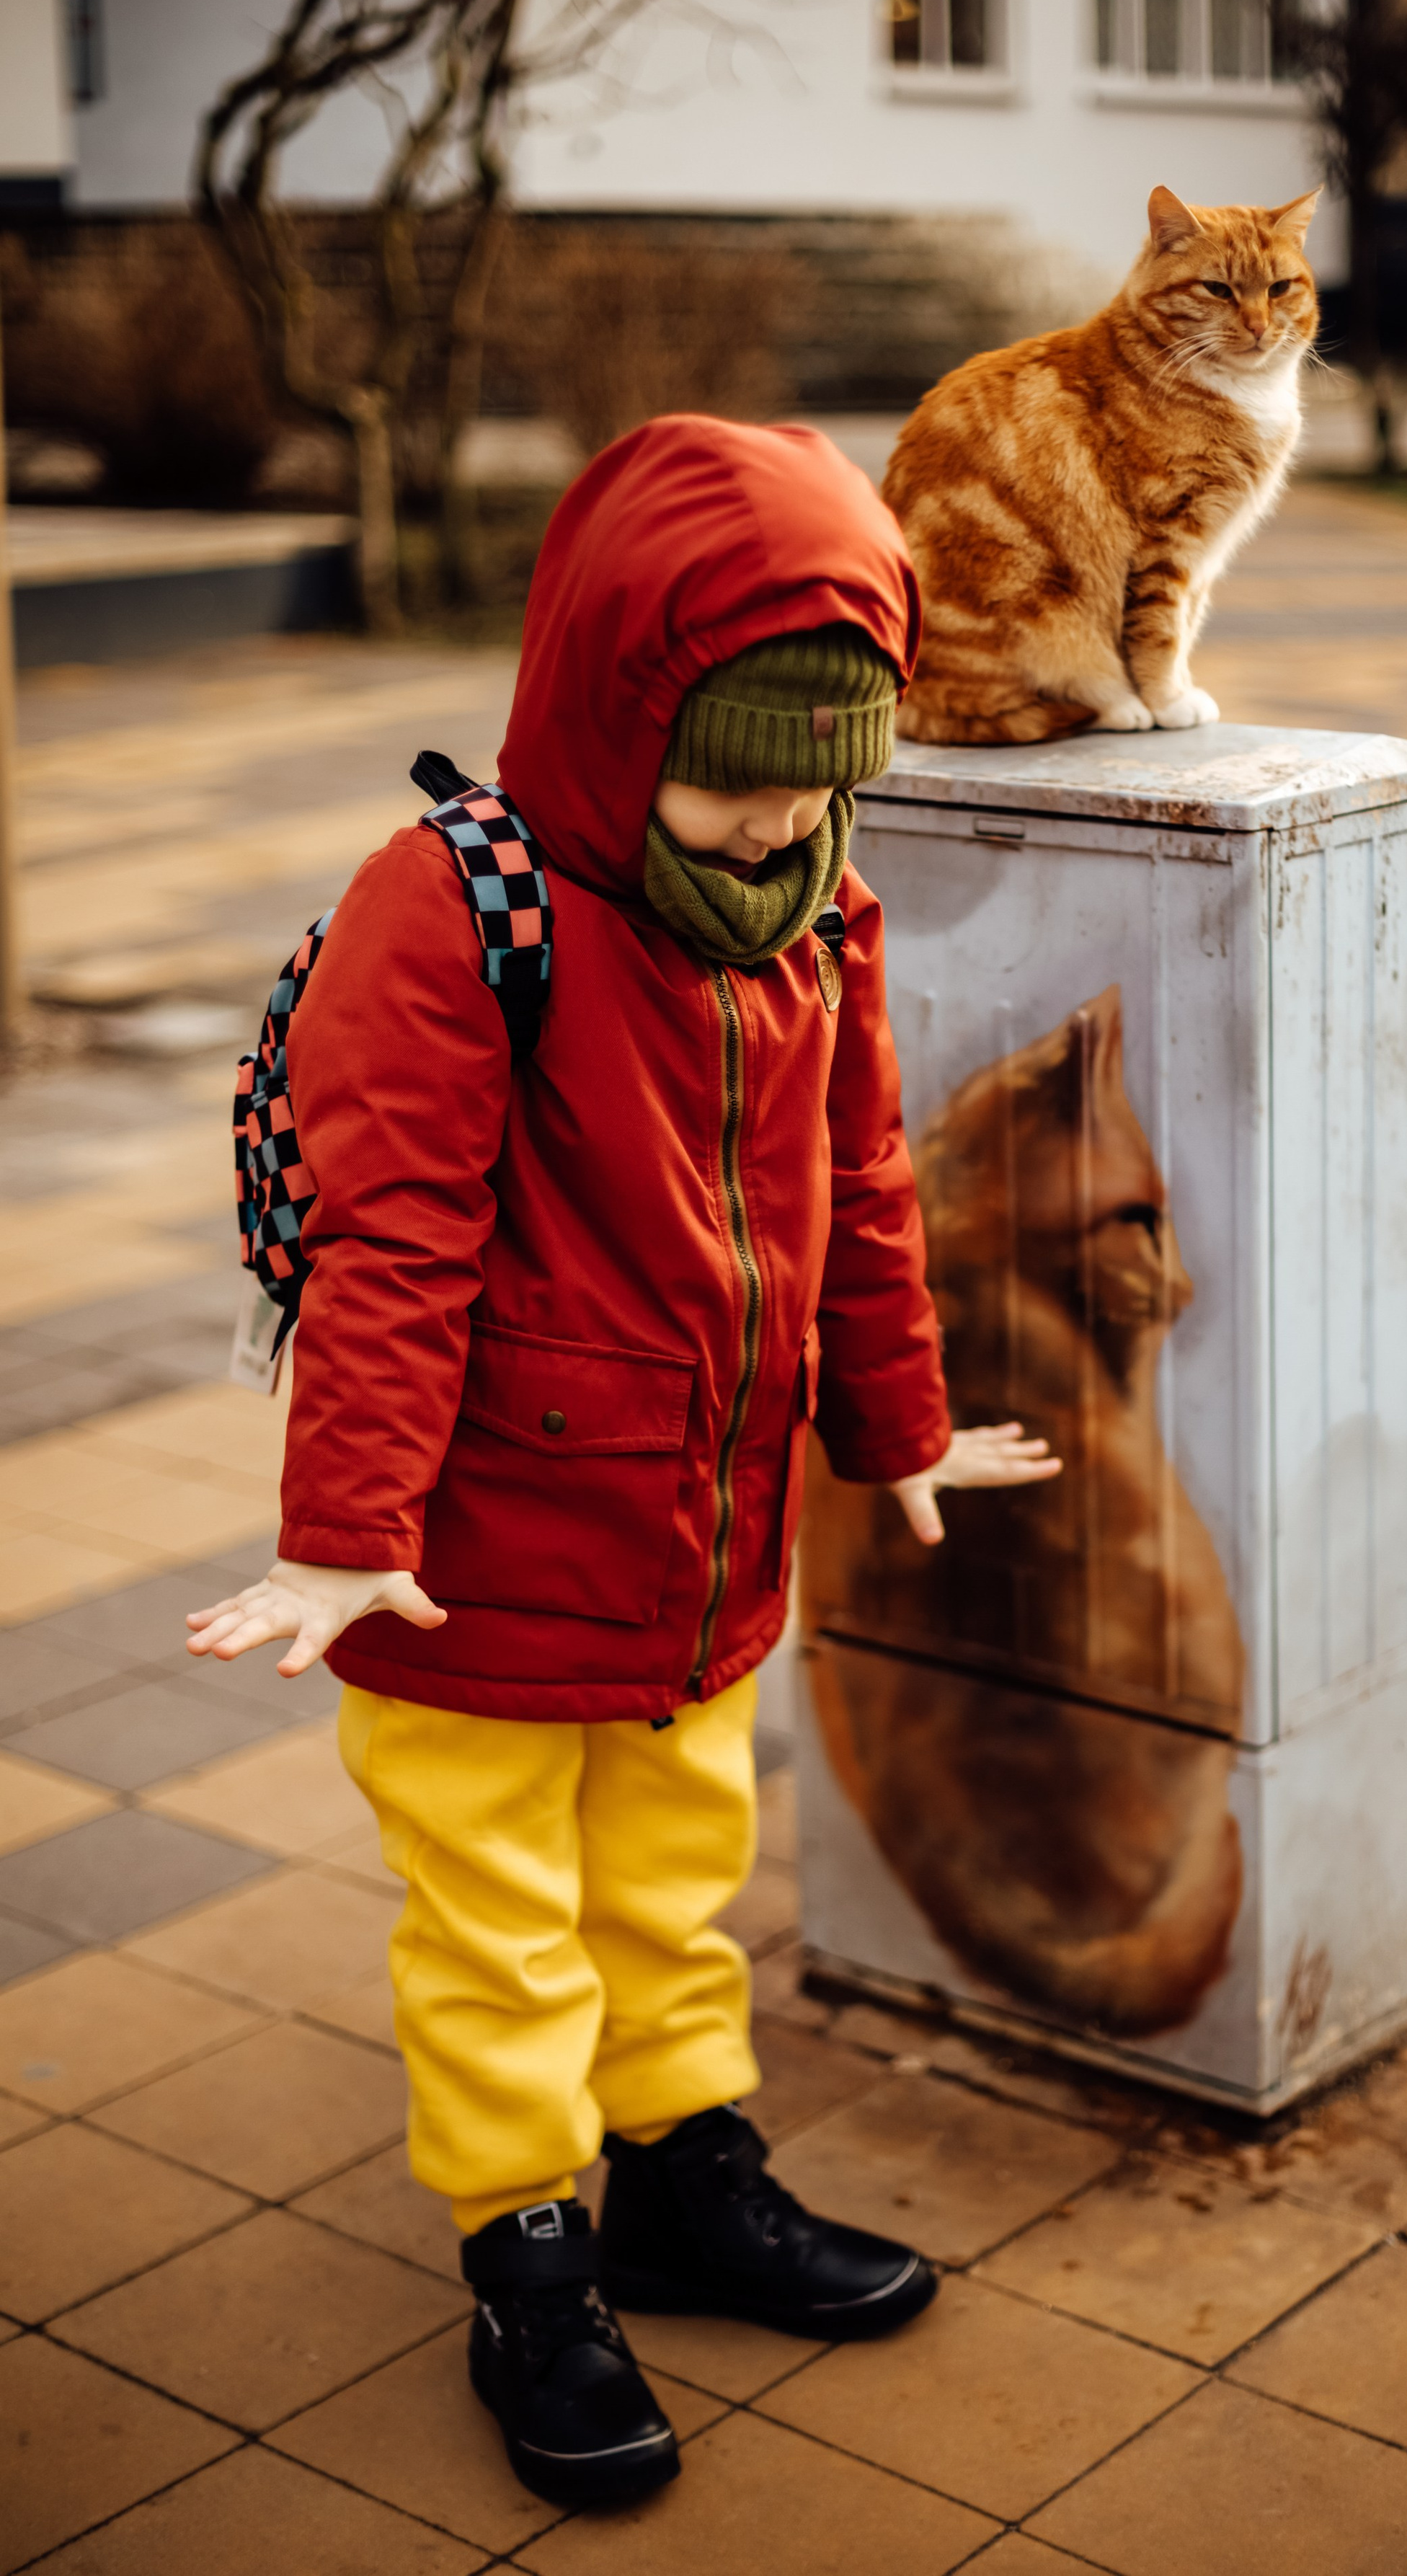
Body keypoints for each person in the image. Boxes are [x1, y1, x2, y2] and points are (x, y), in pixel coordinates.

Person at [186, 417, 1060, 2513]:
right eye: (734, 773)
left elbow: (862, 1182)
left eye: (821, 779)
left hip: (697, 1551)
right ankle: (530, 2258)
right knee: (499, 1925)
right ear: (612, 714)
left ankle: (679, 2179)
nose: (776, 823)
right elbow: (398, 1242)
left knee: (672, 1886)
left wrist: (896, 1424)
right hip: (468, 1559)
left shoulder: (817, 912)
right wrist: (344, 1534)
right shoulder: (455, 912)